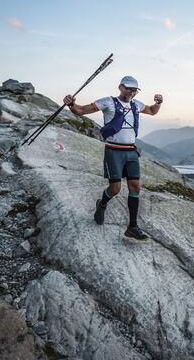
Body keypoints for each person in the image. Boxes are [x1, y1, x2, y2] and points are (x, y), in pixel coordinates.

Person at [63, 76, 163, 240]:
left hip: (131, 151)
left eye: (134, 90)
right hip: (113, 151)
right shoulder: (107, 102)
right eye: (129, 88)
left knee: (135, 187)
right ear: (121, 87)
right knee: (115, 189)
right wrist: (71, 104)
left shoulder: (136, 105)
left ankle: (132, 227)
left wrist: (158, 103)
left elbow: (152, 111)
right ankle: (101, 204)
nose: (131, 92)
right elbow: (80, 111)